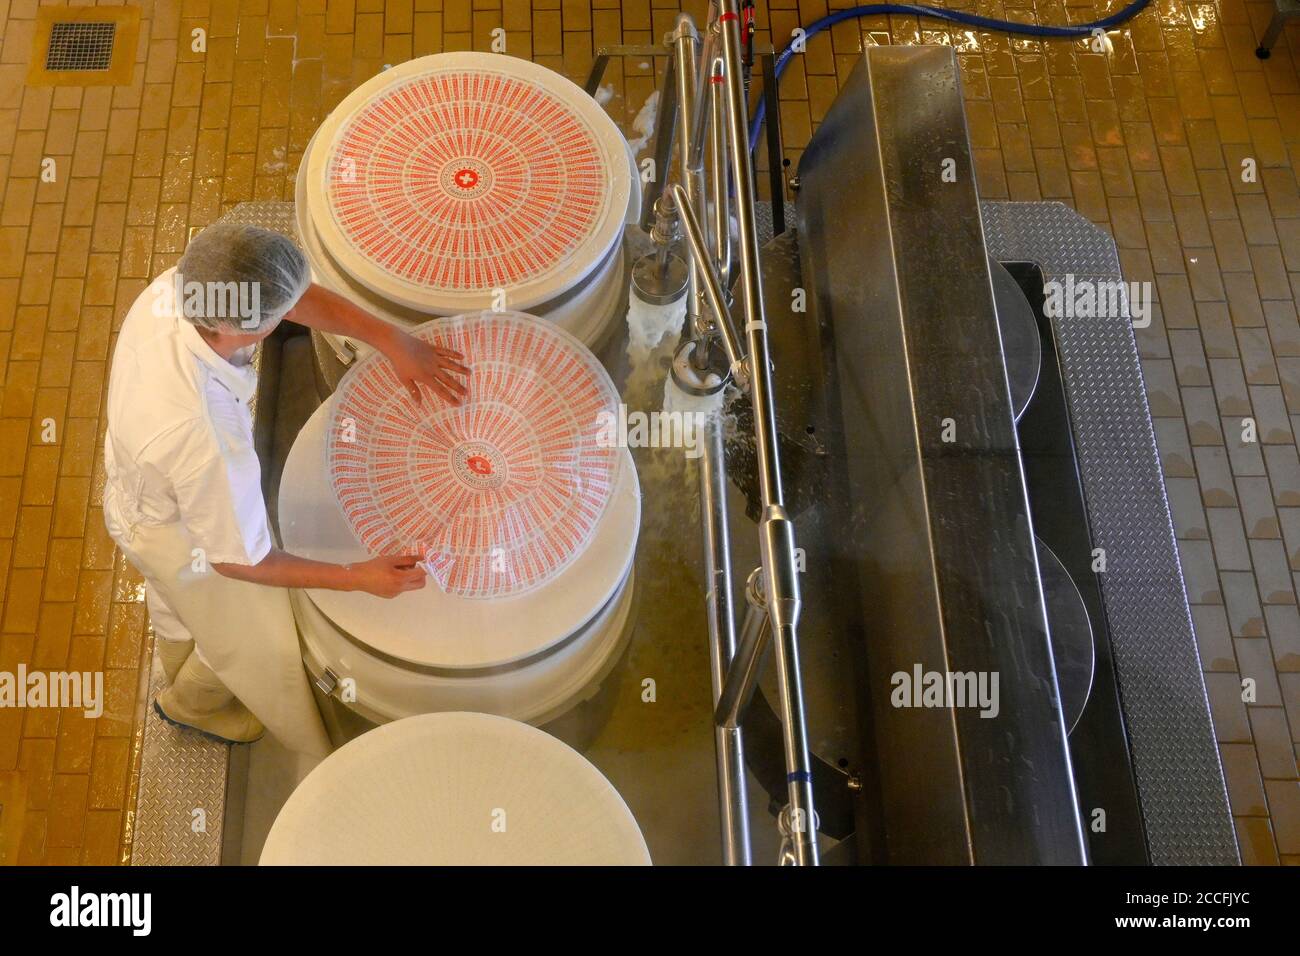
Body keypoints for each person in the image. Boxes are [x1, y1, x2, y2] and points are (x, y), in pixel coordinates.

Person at [103, 223, 470, 757]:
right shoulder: (204, 437)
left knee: (185, 613)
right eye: (280, 314)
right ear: (248, 328)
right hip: (176, 534)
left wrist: (393, 340)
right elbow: (240, 562)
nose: (292, 313)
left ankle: (181, 659)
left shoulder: (183, 288)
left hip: (143, 480)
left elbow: (290, 298)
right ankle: (191, 705)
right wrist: (356, 577)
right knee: (257, 644)